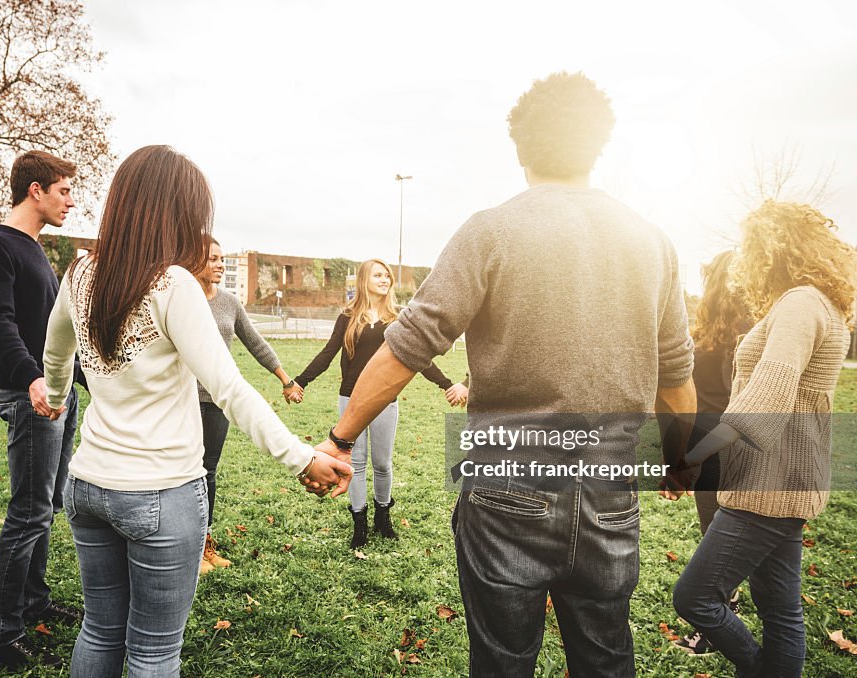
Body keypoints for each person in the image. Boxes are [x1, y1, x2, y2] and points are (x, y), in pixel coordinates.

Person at [307, 72, 696, 676]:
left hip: (507, 485)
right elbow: (676, 376)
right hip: (612, 488)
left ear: (519, 149)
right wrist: (677, 457)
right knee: (606, 658)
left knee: (502, 661)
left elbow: (406, 349)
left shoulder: (490, 231)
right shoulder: (653, 243)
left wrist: (338, 439)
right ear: (599, 144)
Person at [42, 145, 352, 677]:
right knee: (152, 653)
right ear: (177, 213)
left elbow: (55, 354)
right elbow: (229, 388)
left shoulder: (79, 273)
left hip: (88, 486)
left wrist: (52, 397)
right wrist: (302, 458)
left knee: (99, 630)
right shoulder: (173, 284)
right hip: (159, 493)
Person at [672, 201, 857, 677]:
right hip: (792, 478)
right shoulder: (821, 303)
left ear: (771, 249)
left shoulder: (799, 304)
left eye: (750, 248)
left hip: (767, 485)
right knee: (779, 609)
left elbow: (767, 398)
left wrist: (692, 458)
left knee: (694, 597)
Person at [0, 150, 84, 670]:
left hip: (58, 393)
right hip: (29, 396)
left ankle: (35, 601)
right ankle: (2, 635)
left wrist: (87, 383)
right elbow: (0, 324)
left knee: (49, 504)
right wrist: (33, 379)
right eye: (63, 190)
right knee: (29, 512)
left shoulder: (39, 251)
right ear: (35, 190)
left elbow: (56, 334)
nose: (70, 200)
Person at [289, 258, 467, 549]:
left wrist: (446, 384)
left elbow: (417, 358)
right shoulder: (347, 317)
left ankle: (383, 516)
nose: (385, 280)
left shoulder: (396, 318)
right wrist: (300, 381)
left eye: (387, 276)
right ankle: (359, 521)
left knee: (382, 463)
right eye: (378, 275)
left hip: (386, 401)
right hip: (350, 398)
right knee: (355, 463)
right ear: (364, 280)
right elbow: (327, 353)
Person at [194, 235, 303, 574]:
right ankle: (184, 546)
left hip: (217, 400)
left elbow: (255, 342)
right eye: (211, 258)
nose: (219, 264)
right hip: (182, 400)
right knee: (185, 473)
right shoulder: (182, 300)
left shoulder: (228, 302)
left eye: (221, 258)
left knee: (207, 473)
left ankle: (202, 544)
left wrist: (285, 380)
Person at [670, 250, 752, 655]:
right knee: (714, 538)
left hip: (727, 450)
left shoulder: (745, 331)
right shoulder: (709, 329)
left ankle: (717, 628)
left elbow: (741, 406)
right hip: (705, 446)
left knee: (719, 546)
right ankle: (723, 622)